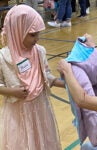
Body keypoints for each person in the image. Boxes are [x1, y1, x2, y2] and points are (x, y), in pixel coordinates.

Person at [0, 4, 65, 150]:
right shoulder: (3, 57)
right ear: (17, 31)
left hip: (40, 109)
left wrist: (66, 83)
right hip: (17, 114)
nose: (37, 39)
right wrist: (12, 92)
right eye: (32, 34)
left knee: (42, 141)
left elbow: (46, 75)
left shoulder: (39, 52)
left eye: (38, 34)